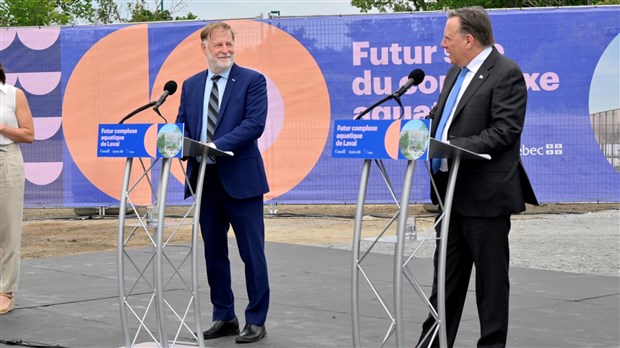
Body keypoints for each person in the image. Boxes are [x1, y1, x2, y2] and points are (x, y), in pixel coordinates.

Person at [420, 7, 538, 348]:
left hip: (486, 197)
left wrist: (449, 145)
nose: (443, 44)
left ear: (469, 39)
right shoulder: (453, 74)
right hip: (450, 195)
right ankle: (432, 343)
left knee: (491, 284)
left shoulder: (506, 73)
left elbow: (504, 131)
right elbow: (444, 123)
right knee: (445, 282)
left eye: (448, 37)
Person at [175, 22, 270, 344]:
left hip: (241, 181)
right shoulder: (190, 85)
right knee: (214, 253)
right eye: (218, 45)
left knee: (251, 254)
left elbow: (254, 124)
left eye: (229, 44)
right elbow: (181, 124)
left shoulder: (252, 81)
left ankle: (256, 319)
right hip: (205, 181)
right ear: (204, 48)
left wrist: (215, 145)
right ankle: (224, 315)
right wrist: (173, 141)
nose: (225, 50)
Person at [0, 63, 34, 315]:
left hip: (6, 159)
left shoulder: (13, 94)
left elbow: (28, 134)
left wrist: (1, 127)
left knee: (9, 230)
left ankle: (6, 290)